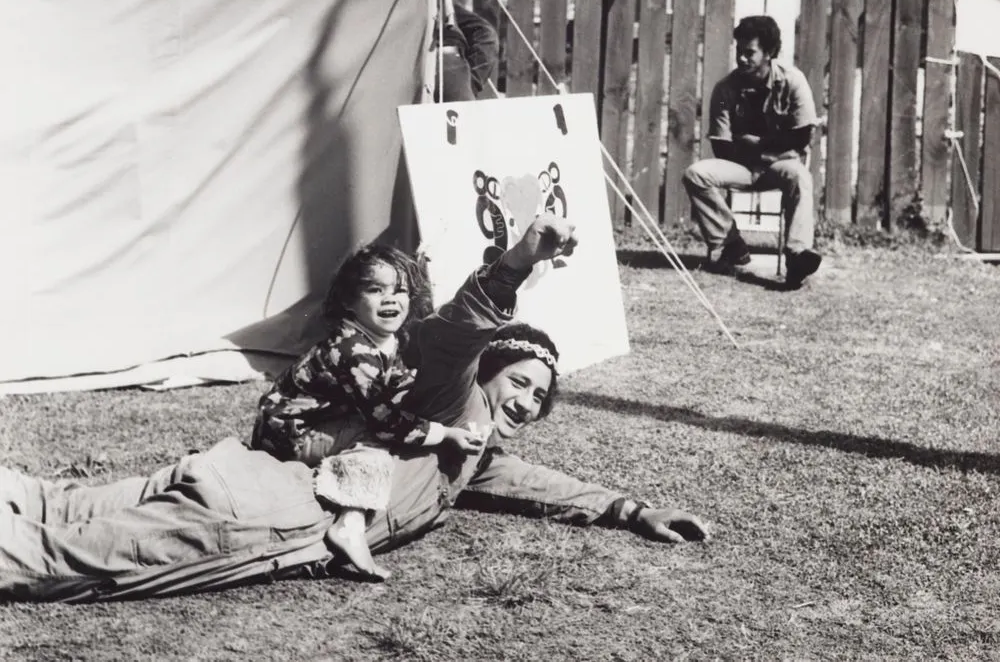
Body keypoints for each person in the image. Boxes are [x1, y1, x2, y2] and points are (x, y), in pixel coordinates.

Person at [0, 215, 708, 603]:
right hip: (259, 514)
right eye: (520, 380)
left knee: (58, 505)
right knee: (66, 560)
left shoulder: (468, 451)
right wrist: (515, 264)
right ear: (484, 370)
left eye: (540, 395)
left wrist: (632, 510)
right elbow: (460, 328)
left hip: (234, 474)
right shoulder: (446, 394)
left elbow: (532, 484)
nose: (528, 400)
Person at [250, 243, 486, 582]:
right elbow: (386, 421)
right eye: (375, 290)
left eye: (399, 290)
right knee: (375, 438)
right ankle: (350, 522)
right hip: (289, 433)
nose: (390, 299)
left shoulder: (385, 340)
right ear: (348, 301)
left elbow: (396, 383)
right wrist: (444, 432)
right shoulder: (354, 350)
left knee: (382, 424)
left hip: (314, 422)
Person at [682, 15, 822, 289]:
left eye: (750, 53)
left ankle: (796, 257)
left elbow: (801, 135)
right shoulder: (725, 88)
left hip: (781, 165)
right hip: (742, 166)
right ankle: (731, 243)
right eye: (739, 51)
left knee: (800, 177)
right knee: (695, 174)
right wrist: (768, 145)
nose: (742, 59)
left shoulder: (793, 81)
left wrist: (755, 143)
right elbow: (722, 145)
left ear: (769, 53)